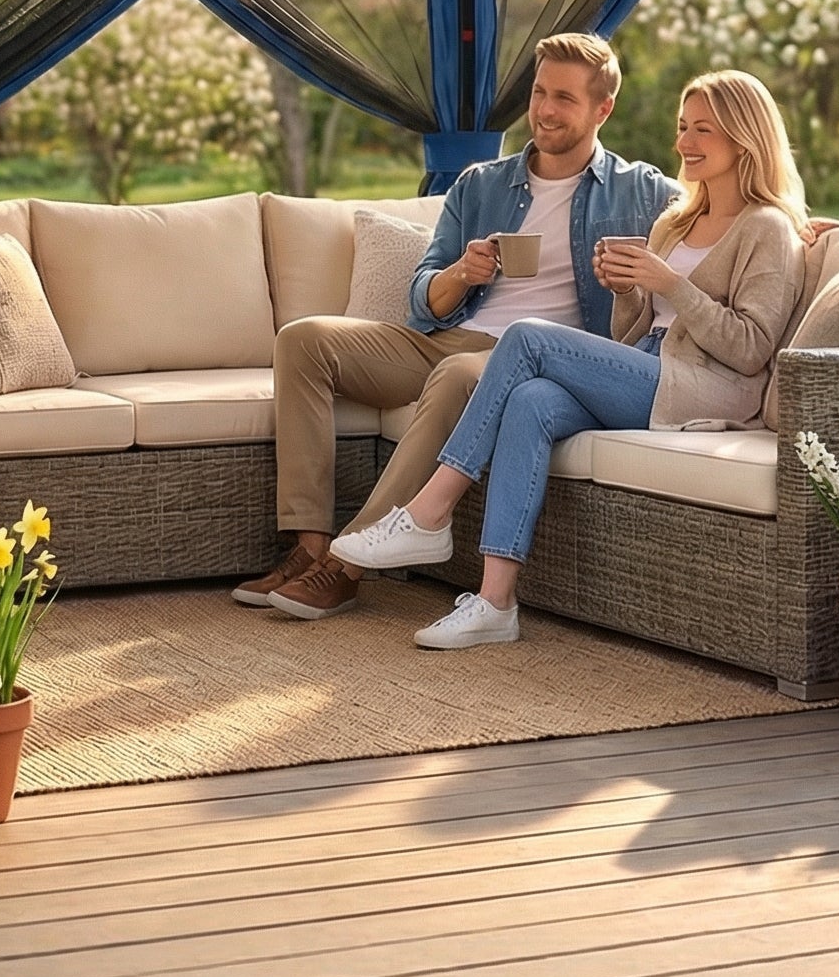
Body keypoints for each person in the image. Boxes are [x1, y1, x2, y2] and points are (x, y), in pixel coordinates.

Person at [333, 69, 808, 649]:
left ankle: (431, 511)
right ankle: (495, 601)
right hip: (650, 369)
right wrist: (628, 290)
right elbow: (634, 331)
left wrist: (673, 285)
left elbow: (752, 347)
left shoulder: (768, 228)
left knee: (527, 337)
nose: (685, 142)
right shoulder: (674, 221)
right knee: (530, 402)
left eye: (704, 130)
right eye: (683, 127)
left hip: (710, 387)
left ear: (745, 139)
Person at [239, 30, 678, 621]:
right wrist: (462, 274)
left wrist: (805, 224)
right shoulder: (480, 184)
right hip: (450, 338)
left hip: (526, 360)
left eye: (564, 99)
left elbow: (727, 207)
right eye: (539, 92)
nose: (544, 110)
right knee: (304, 340)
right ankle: (310, 546)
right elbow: (422, 300)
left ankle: (345, 571)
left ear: (604, 109)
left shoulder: (642, 191)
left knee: (455, 376)